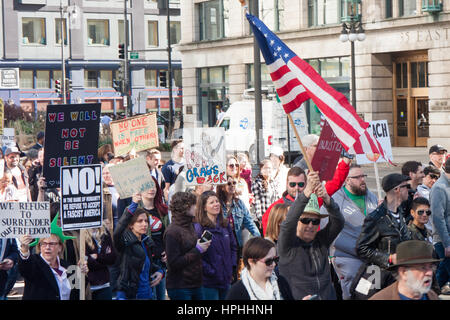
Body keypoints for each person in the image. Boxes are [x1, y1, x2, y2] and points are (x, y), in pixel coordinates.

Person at [278, 171, 344, 300]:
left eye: (315, 221)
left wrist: (327, 199)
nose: (310, 225)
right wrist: (306, 192)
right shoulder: (287, 245)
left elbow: (339, 222)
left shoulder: (321, 240)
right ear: (297, 220)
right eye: (305, 220)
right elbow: (288, 224)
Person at [320, 164, 378, 300]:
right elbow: (325, 226)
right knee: (353, 293)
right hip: (347, 256)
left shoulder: (371, 196)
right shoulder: (335, 199)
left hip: (372, 256)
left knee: (373, 292)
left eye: (363, 176)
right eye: (357, 177)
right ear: (347, 180)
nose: (362, 179)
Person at [354, 173, 412, 299]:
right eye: (406, 186)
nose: (409, 189)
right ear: (397, 190)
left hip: (399, 275)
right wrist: (389, 258)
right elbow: (361, 248)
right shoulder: (375, 218)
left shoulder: (400, 213)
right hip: (379, 276)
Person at [164, 192, 210, 300]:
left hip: (196, 283)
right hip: (180, 286)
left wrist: (199, 244)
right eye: (195, 204)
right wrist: (197, 249)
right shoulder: (172, 231)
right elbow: (173, 263)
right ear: (185, 207)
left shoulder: (190, 225)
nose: (197, 207)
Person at [113, 203, 164, 300]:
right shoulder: (124, 243)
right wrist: (134, 203)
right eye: (140, 221)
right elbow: (118, 231)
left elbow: (147, 266)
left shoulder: (147, 242)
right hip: (130, 295)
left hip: (148, 295)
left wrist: (160, 272)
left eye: (146, 221)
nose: (144, 224)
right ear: (131, 225)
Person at [18, 233, 88, 300]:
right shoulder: (34, 263)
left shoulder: (68, 267)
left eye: (51, 244)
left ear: (60, 247)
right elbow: (25, 268)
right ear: (39, 247)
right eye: (44, 244)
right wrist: (24, 250)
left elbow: (78, 292)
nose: (47, 247)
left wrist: (82, 273)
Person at [194, 191, 237, 300]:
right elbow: (196, 255)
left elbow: (233, 247)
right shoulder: (199, 228)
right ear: (204, 207)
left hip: (226, 278)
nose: (216, 204)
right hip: (209, 282)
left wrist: (231, 266)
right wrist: (211, 271)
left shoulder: (225, 224)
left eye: (217, 201)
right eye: (211, 202)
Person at [217, 177, 260, 280]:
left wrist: (258, 236)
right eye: (229, 183)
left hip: (236, 243)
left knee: (236, 271)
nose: (232, 185)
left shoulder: (239, 203)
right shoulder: (217, 203)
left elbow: (249, 221)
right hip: (221, 242)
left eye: (234, 183)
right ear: (222, 187)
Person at [225, 237, 294, 300]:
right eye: (268, 261)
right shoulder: (237, 292)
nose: (274, 264)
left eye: (275, 259)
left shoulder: (281, 282)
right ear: (251, 261)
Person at [369, 240, 441, 300]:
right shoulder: (382, 298)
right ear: (403, 272)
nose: (430, 273)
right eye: (423, 268)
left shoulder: (432, 296)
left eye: (431, 267)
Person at [136, 177, 169, 300]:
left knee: (160, 296)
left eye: (154, 186)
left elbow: (167, 233)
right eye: (147, 186)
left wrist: (168, 250)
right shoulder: (134, 210)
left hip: (160, 261)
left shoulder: (162, 210)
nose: (151, 189)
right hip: (144, 261)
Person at [262, 167, 306, 235]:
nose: (296, 188)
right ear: (287, 184)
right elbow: (268, 235)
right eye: (292, 184)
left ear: (306, 184)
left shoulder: (312, 204)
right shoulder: (274, 208)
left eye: (300, 184)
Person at [429, 157, 450, 294]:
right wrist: (447, 244)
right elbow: (437, 218)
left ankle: (429, 294)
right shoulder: (439, 188)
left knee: (442, 274)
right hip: (444, 241)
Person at [85, 222, 117, 300]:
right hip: (88, 285)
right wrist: (104, 260)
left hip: (104, 284)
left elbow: (112, 258)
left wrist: (97, 256)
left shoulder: (105, 233)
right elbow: (87, 262)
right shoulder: (81, 233)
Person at [251, 159, 278, 233]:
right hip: (263, 217)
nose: (268, 170)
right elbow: (257, 202)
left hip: (273, 217)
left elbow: (277, 199)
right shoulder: (257, 183)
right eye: (265, 168)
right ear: (261, 169)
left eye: (269, 168)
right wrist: (260, 218)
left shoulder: (273, 182)